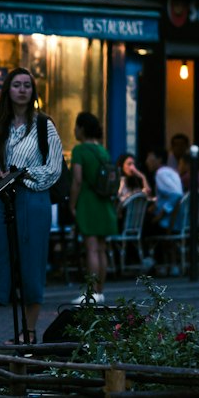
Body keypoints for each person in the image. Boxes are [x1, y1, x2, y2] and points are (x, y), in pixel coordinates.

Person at [0, 68, 65, 343]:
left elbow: (54, 167)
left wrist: (22, 174)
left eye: (27, 85)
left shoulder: (43, 125)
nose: (23, 89)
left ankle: (28, 334)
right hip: (5, 200)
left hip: (33, 198)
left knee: (31, 266)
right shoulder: (1, 126)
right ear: (8, 91)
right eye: (17, 85)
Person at [69, 112, 118, 304]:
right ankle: (100, 291)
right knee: (101, 249)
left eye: (76, 126)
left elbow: (77, 180)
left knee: (90, 249)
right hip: (103, 202)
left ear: (81, 128)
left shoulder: (79, 151)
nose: (74, 130)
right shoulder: (102, 150)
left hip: (88, 202)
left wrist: (72, 204)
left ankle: (90, 293)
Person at [145, 146, 184, 231]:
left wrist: (161, 214)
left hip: (166, 223)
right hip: (176, 222)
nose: (146, 161)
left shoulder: (161, 173)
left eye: (149, 157)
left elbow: (176, 194)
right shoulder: (171, 171)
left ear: (159, 159)